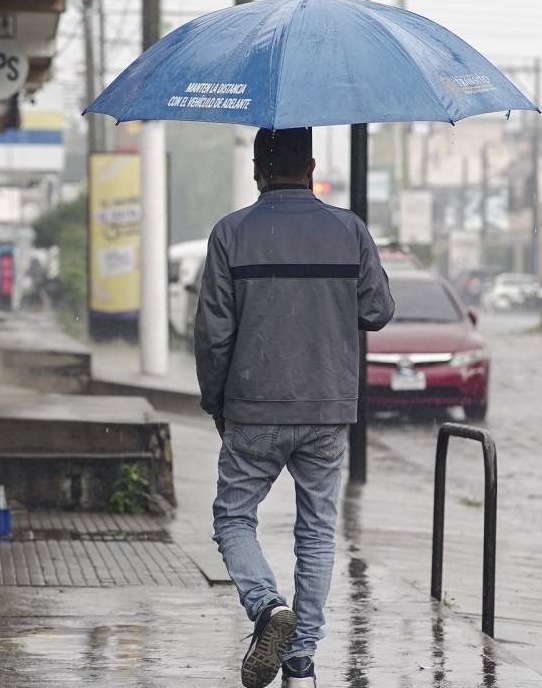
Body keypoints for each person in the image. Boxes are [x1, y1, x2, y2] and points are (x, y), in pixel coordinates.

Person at [194, 128, 394, 688]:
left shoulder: (230, 233)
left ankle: (265, 609)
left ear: (257, 171)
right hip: (329, 407)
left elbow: (212, 333)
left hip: (253, 406)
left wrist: (216, 401)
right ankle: (301, 661)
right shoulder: (350, 229)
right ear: (311, 167)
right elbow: (378, 311)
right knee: (317, 530)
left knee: (234, 516)